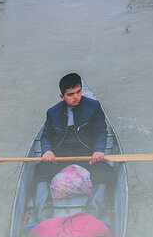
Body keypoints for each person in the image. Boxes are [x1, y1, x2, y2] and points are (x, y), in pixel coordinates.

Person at [34, 72, 113, 220]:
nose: (76, 97)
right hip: (60, 152)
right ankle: (43, 216)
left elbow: (101, 131)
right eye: (70, 94)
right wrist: (47, 150)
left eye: (79, 92)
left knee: (107, 173)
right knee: (39, 171)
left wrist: (98, 150)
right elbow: (46, 135)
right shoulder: (53, 112)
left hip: (87, 151)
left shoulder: (94, 106)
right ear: (62, 96)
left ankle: (92, 215)